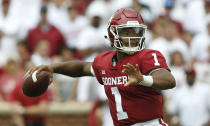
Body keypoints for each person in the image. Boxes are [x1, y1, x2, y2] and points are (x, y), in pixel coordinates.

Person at [27, 8, 176, 126]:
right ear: (112, 35)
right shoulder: (104, 61)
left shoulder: (147, 56)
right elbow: (81, 68)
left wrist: (143, 79)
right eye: (126, 32)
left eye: (136, 32)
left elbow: (168, 80)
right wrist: (52, 67)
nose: (133, 37)